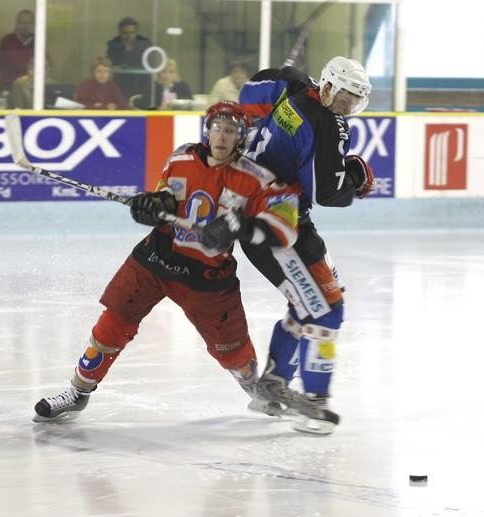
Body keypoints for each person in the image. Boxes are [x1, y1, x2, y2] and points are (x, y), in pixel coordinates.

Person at [32, 102, 336, 432]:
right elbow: (167, 196)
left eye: (231, 130)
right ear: (207, 131)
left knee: (234, 355)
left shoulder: (255, 178)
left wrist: (241, 226)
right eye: (217, 128)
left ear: (241, 136)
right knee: (112, 325)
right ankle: (78, 392)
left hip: (207, 280)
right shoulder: (182, 157)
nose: (222, 136)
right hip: (155, 260)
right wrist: (153, 205)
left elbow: (285, 224)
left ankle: (258, 393)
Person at [236, 57, 376, 432]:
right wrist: (356, 181)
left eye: (354, 102)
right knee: (328, 311)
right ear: (328, 86)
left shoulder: (293, 88)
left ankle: (275, 383)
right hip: (278, 227)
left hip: (259, 218)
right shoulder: (327, 124)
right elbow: (328, 193)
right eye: (345, 98)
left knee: (308, 303)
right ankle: (315, 401)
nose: (348, 108)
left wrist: (278, 75)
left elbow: (249, 92)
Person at [106, 16, 153, 99]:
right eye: (125, 33)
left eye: (132, 32)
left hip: (141, 82)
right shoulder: (113, 44)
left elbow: (150, 64)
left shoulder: (145, 44)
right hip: (120, 83)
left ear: (136, 32)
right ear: (120, 33)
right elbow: (109, 64)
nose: (129, 36)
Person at [0, 9, 35, 90]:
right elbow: (10, 66)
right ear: (17, 24)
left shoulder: (38, 41)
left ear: (33, 25)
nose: (26, 26)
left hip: (33, 86)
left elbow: (46, 65)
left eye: (29, 23)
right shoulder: (7, 41)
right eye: (22, 22)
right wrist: (30, 69)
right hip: (11, 86)